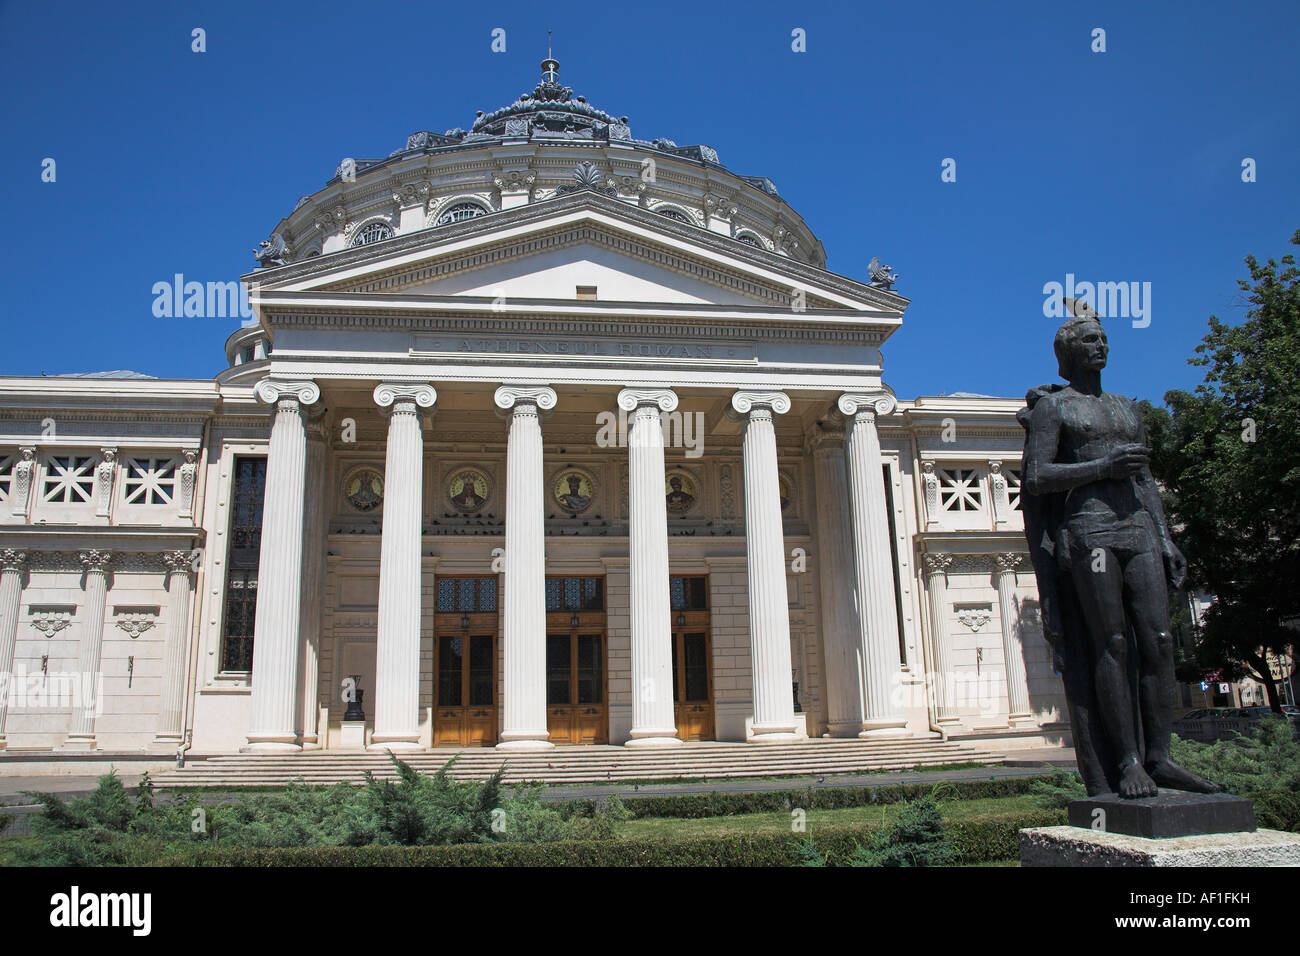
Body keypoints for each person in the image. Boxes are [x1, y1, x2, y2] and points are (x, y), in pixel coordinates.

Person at [1021, 313, 1221, 798]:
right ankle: (1127, 762)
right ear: (1068, 353)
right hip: (1090, 530)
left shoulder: (1127, 408)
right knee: (1111, 642)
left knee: (1158, 639)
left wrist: (1165, 535)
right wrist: (1102, 466)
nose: (1101, 346)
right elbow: (1037, 478)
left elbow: (1145, 480)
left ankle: (1162, 758)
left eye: (1105, 338)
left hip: (1138, 528)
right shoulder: (1055, 409)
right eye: (1091, 340)